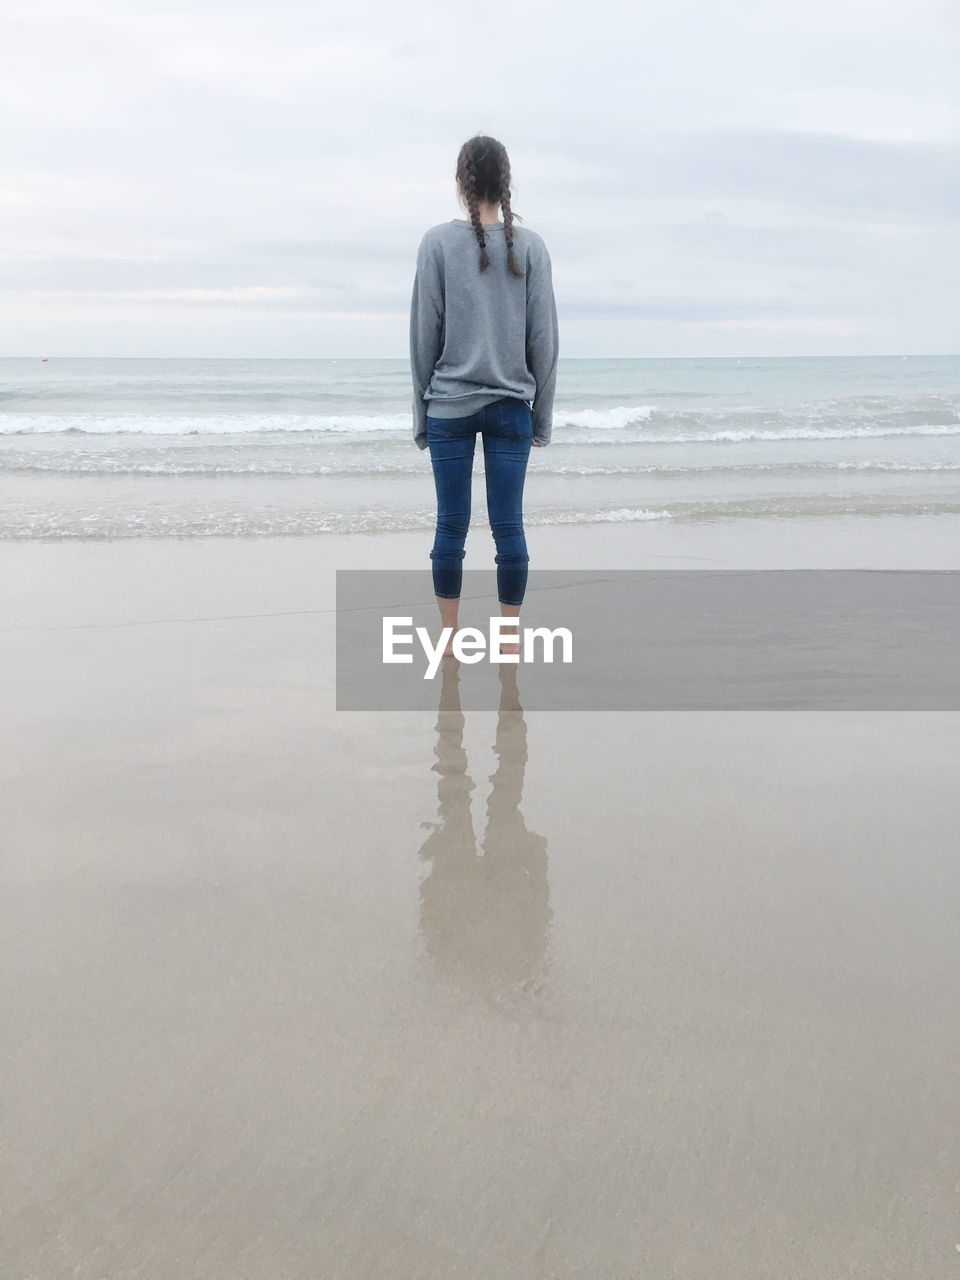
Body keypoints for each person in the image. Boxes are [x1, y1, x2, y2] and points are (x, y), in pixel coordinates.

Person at [409, 134, 560, 656]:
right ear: (507, 183)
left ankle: (449, 640)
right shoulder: (531, 246)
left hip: (449, 404)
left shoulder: (436, 243)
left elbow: (423, 336)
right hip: (510, 408)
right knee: (508, 526)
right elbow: (545, 341)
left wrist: (421, 415)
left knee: (450, 525)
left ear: (460, 183)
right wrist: (541, 418)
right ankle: (509, 641)